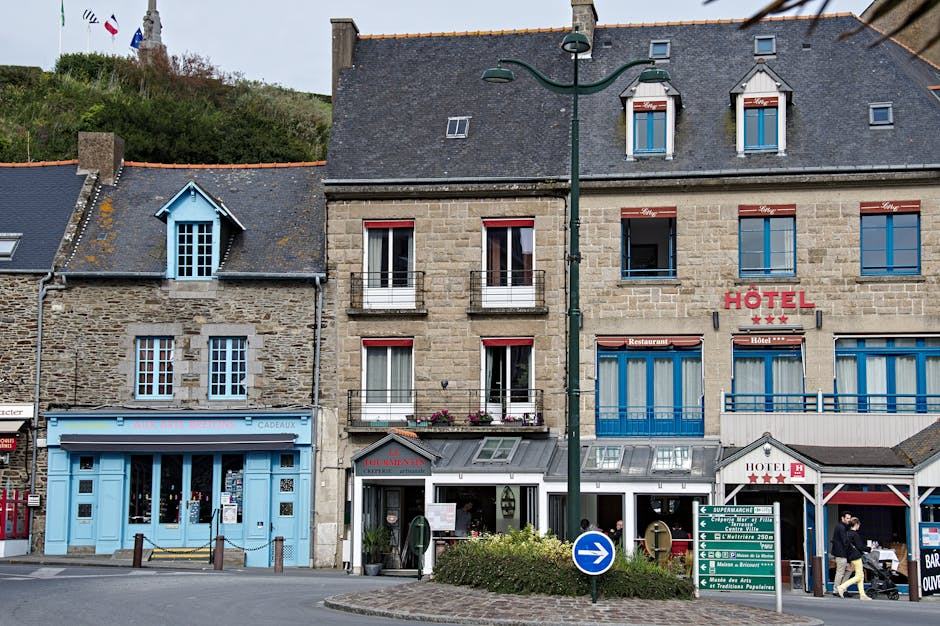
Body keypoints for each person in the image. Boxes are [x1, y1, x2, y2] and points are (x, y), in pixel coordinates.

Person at [836, 517, 871, 600]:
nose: (859, 526)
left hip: (851, 556)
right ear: (856, 524)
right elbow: (860, 546)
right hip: (856, 556)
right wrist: (870, 548)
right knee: (859, 575)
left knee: (861, 575)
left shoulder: (847, 534)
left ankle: (862, 595)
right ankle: (842, 587)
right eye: (858, 525)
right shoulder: (855, 534)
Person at [830, 511, 853, 593]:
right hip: (841, 554)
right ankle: (836, 590)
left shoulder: (842, 527)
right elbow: (845, 542)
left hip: (842, 554)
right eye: (847, 518)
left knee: (849, 570)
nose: (849, 520)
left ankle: (842, 588)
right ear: (842, 518)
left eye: (850, 518)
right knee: (840, 573)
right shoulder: (841, 527)